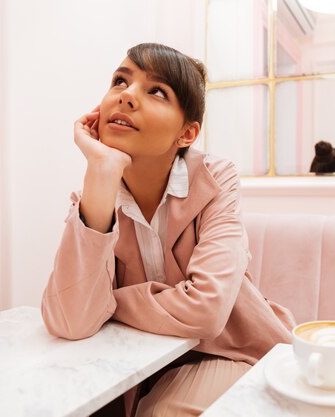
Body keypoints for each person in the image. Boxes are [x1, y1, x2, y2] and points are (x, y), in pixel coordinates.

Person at [41, 43, 295, 417]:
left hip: (229, 352)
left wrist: (109, 305)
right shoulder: (97, 195)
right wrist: (101, 170)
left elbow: (206, 311)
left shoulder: (216, 179)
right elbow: (70, 320)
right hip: (135, 364)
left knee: (161, 413)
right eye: (120, 81)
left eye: (156, 91)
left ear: (187, 134)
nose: (127, 96)